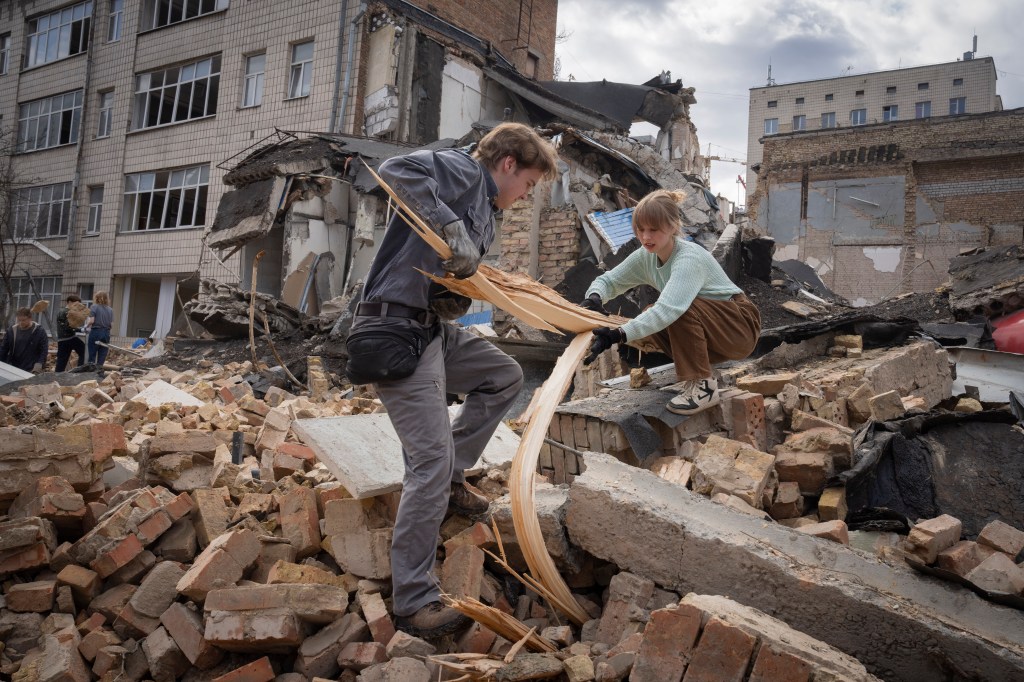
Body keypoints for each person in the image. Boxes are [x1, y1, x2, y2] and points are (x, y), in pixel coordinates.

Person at [346, 123, 558, 638]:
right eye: (528, 183)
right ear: (508, 164)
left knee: (504, 375)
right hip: (395, 330)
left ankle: (455, 480)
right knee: (428, 462)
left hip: (431, 330)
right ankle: (413, 603)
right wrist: (450, 224)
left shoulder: (487, 205)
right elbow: (396, 170)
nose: (526, 194)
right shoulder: (464, 170)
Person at [582, 189, 761, 415]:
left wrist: (617, 334)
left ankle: (704, 388)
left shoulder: (688, 258)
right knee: (653, 311)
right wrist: (595, 297)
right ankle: (696, 377)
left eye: (653, 230)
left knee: (674, 311)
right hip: (718, 333)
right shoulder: (646, 256)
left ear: (673, 226)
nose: (646, 237)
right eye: (640, 229)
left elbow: (668, 310)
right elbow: (610, 280)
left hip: (739, 327)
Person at [0, 307, 49, 373]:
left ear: (30, 318)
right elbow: (4, 349)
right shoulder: (12, 331)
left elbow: (44, 349)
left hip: (31, 368)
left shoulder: (39, 331)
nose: (21, 322)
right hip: (14, 366)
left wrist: (39, 363)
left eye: (23, 320)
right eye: (19, 320)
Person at [55, 295, 87, 372]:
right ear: (69, 302)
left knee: (62, 360)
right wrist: (80, 330)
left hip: (65, 339)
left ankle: (58, 375)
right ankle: (79, 371)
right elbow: (67, 326)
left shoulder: (64, 312)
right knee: (84, 351)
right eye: (76, 304)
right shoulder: (65, 312)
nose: (77, 306)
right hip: (67, 338)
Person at [86, 291, 114, 368]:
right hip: (106, 333)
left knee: (92, 354)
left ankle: (91, 373)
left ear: (96, 298)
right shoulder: (110, 310)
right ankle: (99, 372)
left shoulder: (94, 307)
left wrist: (86, 326)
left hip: (96, 332)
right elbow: (111, 325)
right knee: (102, 355)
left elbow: (92, 321)